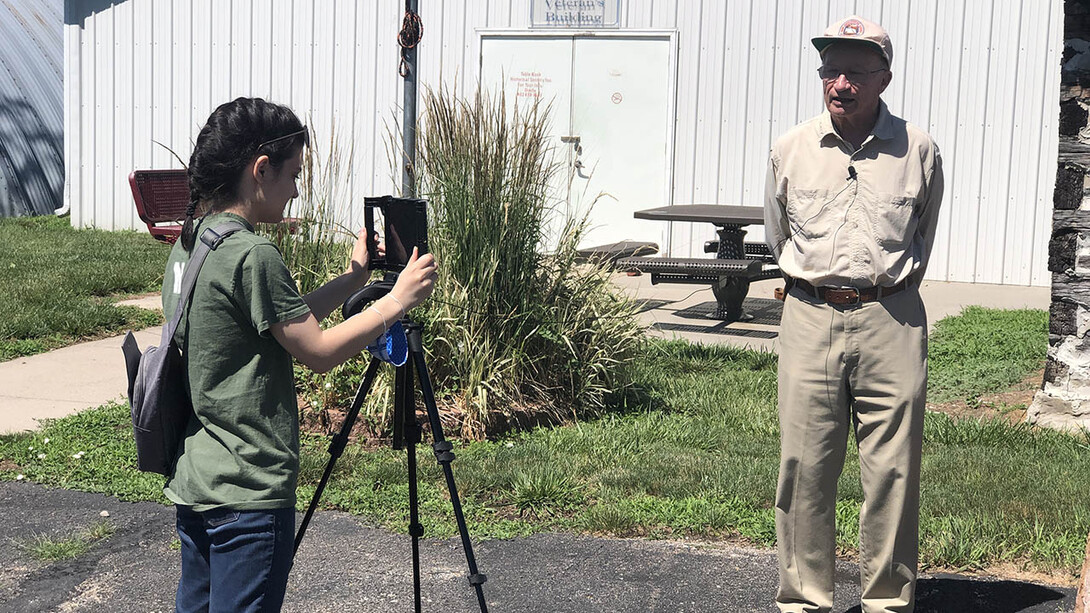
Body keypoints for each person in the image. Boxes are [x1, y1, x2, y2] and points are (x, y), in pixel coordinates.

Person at [162, 97, 438, 612]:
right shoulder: (253, 254)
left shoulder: (192, 246)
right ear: (260, 170)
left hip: (199, 481)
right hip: (249, 490)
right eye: (293, 174)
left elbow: (273, 323)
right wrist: (397, 302)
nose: (296, 189)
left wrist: (354, 279)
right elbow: (318, 350)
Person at [764, 15, 944, 613]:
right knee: (804, 466)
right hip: (809, 316)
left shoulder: (918, 149)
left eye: (855, 71)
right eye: (830, 70)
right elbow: (777, 233)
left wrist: (884, 290)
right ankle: (805, 601)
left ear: (883, 78)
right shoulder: (791, 148)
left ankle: (887, 602)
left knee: (893, 469)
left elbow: (922, 234)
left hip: (891, 317)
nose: (839, 82)